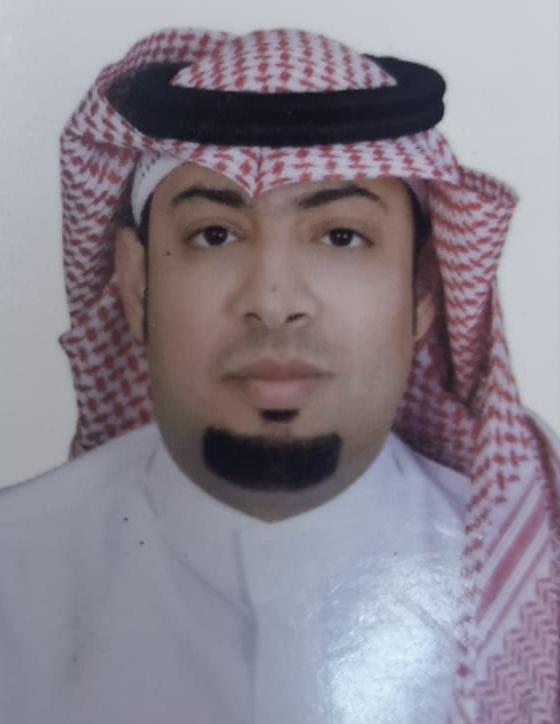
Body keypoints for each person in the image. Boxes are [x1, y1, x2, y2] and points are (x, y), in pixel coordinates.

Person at [0, 27, 557, 724]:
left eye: (341, 236)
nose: (272, 301)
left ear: (421, 291)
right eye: (215, 235)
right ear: (138, 285)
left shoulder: (534, 582)